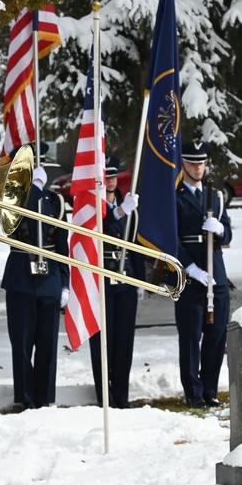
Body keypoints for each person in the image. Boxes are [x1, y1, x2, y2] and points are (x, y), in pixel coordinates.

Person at [0, 142, 69, 408]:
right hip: (21, 278)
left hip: (50, 279)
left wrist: (66, 283)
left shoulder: (57, 201)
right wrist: (34, 188)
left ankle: (45, 398)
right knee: (22, 344)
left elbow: (62, 246)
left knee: (48, 345)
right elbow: (14, 226)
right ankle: (24, 398)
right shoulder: (12, 196)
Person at [172, 140, 232, 408]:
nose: (198, 168)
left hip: (215, 272)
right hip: (190, 273)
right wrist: (188, 267)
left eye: (201, 163)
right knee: (190, 336)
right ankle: (193, 392)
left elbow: (228, 233)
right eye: (193, 163)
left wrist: (219, 229)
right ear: (183, 164)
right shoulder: (174, 197)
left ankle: (210, 389)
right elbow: (170, 240)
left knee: (216, 334)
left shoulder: (215, 197)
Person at [89, 156, 143, 408]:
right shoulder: (90, 206)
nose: (110, 180)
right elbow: (95, 230)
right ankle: (105, 396)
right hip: (100, 276)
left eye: (113, 175)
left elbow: (136, 246)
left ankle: (121, 394)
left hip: (126, 278)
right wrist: (120, 212)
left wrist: (140, 280)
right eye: (106, 175)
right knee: (103, 341)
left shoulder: (129, 206)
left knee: (124, 340)